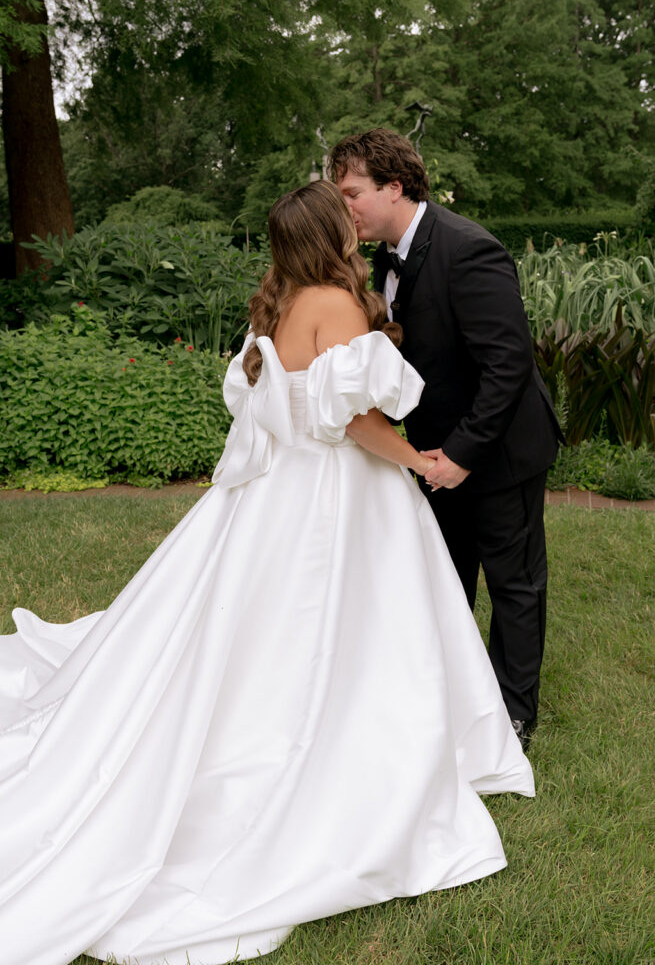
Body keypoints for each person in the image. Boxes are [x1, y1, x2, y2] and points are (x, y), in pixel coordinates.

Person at [0, 180, 533, 965]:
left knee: (260, 623)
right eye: (344, 215)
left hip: (277, 486)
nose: (355, 223)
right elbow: (355, 420)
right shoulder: (336, 303)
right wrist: (417, 461)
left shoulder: (277, 304)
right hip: (331, 490)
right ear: (329, 234)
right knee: (347, 620)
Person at [329, 129, 563, 751]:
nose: (342, 205)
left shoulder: (468, 248)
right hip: (432, 452)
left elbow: (508, 365)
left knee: (513, 584)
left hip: (500, 451)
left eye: (351, 192)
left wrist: (462, 454)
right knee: (446, 575)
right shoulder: (382, 260)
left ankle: (513, 715)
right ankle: (454, 695)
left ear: (394, 187)